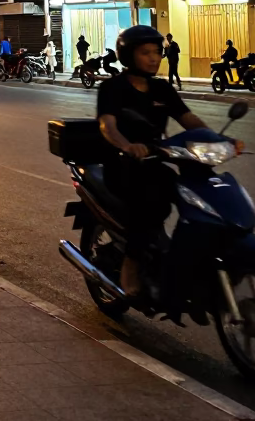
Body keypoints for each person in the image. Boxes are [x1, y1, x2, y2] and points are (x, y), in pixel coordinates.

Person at [96, 25, 238, 299]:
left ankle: (184, 259)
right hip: (122, 165)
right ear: (128, 56)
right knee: (153, 203)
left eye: (157, 52)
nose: (153, 58)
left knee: (198, 195)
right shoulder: (113, 88)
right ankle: (131, 265)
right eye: (145, 52)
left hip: (155, 162)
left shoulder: (162, 88)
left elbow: (188, 119)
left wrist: (217, 141)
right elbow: (107, 125)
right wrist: (127, 146)